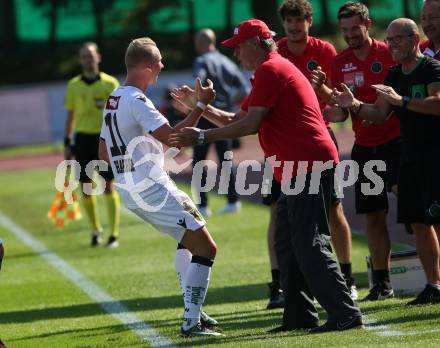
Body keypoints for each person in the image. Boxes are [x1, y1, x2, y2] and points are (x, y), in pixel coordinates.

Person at [170, 19, 362, 333]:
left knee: (309, 243)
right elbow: (237, 117)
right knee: (286, 243)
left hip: (307, 164)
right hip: (297, 166)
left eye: (239, 47)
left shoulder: (271, 70)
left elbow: (249, 125)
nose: (236, 54)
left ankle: (345, 312)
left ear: (257, 44)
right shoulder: (269, 70)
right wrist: (201, 107)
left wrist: (202, 138)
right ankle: (299, 316)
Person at [98, 37, 221, 337]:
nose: (162, 67)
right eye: (159, 62)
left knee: (188, 241)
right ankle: (191, 322)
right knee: (207, 247)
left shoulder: (114, 97)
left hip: (133, 190)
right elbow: (174, 138)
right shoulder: (137, 100)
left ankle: (195, 311)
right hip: (152, 187)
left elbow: (103, 152)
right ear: (146, 66)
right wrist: (201, 106)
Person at [330, 18, 440, 305]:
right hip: (408, 156)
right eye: (389, 40)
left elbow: (437, 103)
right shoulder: (393, 75)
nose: (391, 45)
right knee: (418, 223)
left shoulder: (432, 68)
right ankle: (433, 284)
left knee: (436, 218)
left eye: (397, 39)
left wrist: (401, 100)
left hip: (433, 154)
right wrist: (352, 104)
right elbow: (379, 113)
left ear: (414, 39)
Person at [312, 1, 400, 301]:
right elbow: (340, 113)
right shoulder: (339, 63)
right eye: (345, 29)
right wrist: (321, 93)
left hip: (397, 144)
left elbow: (388, 107)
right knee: (373, 215)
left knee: (420, 217)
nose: (350, 34)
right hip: (364, 149)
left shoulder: (388, 55)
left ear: (368, 25)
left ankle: (433, 279)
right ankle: (382, 283)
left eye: (355, 27)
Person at [277, 0, 357, 300]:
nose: (295, 27)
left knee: (334, 207)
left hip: (319, 140)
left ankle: (347, 277)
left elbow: (339, 102)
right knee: (281, 211)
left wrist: (324, 100)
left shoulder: (325, 52)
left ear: (309, 22)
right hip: (284, 145)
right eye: (290, 22)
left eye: (300, 21)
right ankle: (282, 284)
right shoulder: (277, 52)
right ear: (283, 25)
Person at [64, 42, 121, 248]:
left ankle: (113, 234)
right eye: (84, 56)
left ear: (99, 57)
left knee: (108, 185)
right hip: (82, 140)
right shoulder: (74, 85)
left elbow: (118, 114)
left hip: (104, 139)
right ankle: (96, 230)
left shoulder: (110, 83)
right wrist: (67, 142)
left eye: (90, 55)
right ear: (80, 60)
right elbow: (70, 115)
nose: (88, 59)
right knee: (86, 187)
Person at [192, 28, 249, 217]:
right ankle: (233, 201)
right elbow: (243, 88)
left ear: (201, 43)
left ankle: (202, 205)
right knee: (225, 160)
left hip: (206, 115)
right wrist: (230, 103)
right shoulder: (226, 61)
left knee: (199, 160)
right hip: (225, 115)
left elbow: (199, 83)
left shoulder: (201, 61)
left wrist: (197, 103)